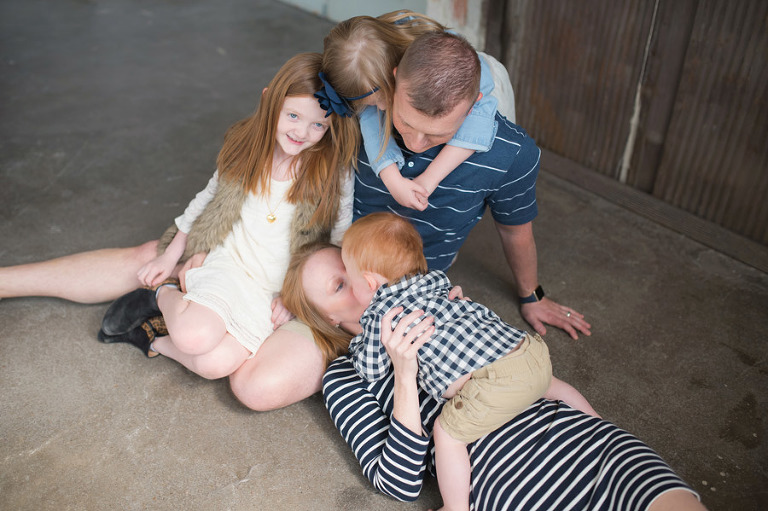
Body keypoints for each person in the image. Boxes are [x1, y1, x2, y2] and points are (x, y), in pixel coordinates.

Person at [0, 53, 357, 410]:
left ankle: (151, 337)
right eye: (293, 116)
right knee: (194, 335)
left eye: (317, 126)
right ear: (269, 102)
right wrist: (173, 255)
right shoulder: (247, 151)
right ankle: (161, 293)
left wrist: (297, 298)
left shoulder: (332, 174)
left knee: (213, 364)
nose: (301, 132)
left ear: (330, 127)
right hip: (229, 265)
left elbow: (335, 243)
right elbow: (206, 200)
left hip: (271, 289)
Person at [280, 241, 706, 511]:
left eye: (353, 269)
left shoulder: (432, 302)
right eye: (339, 287)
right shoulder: (348, 377)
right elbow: (398, 482)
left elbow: (511, 357)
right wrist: (404, 374)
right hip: (512, 488)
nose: (363, 285)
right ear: (328, 320)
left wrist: (460, 314)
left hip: (586, 445)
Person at [339, 212, 599, 511]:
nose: (349, 280)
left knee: (447, 434)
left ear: (370, 283)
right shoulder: (435, 279)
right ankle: (596, 425)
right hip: (528, 352)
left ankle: (455, 507)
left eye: (349, 274)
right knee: (553, 386)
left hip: (493, 384)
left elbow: (370, 369)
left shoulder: (382, 312)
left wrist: (361, 343)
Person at [344, 29, 591, 340]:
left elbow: (515, 231)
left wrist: (532, 295)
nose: (416, 142)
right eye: (405, 122)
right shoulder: (362, 105)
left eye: (436, 134)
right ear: (394, 80)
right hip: (341, 256)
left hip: (418, 280)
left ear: (475, 105)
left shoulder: (512, 153)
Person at [320, 10, 515, 211]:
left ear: (395, 72)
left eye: (381, 98)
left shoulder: (461, 69)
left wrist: (429, 179)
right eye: (372, 103)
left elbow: (478, 123)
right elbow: (370, 120)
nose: (382, 107)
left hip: (481, 83)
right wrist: (392, 178)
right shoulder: (369, 67)